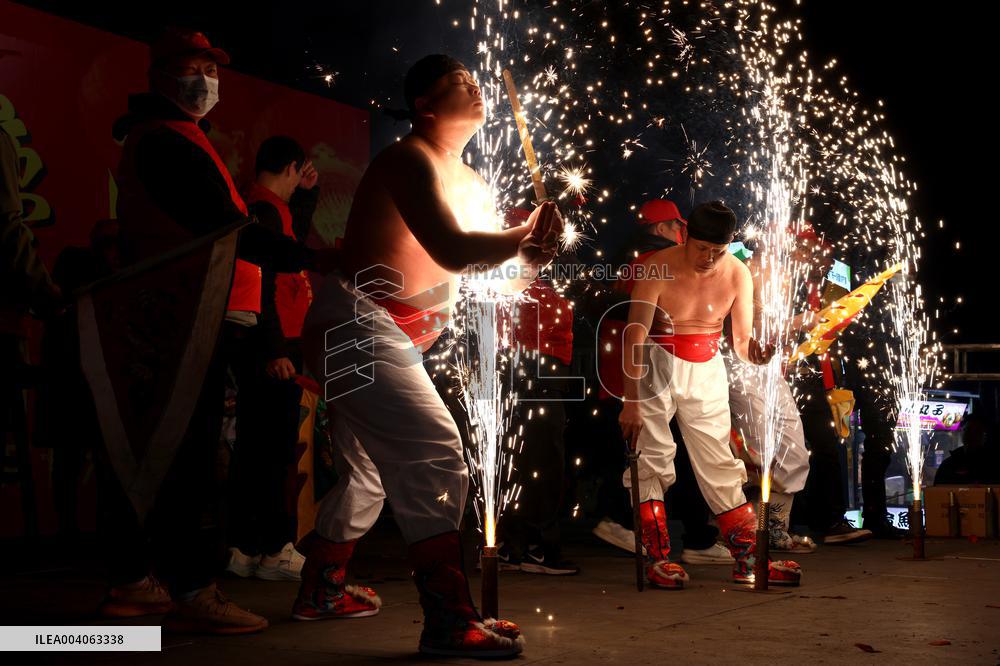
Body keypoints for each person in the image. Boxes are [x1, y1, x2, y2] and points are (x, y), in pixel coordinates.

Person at [297, 54, 560, 658]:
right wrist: (524, 234)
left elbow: (496, 280)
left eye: (475, 79)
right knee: (435, 451)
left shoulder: (474, 183)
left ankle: (321, 589)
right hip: (358, 323)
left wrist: (532, 256)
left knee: (369, 473)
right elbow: (452, 248)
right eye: (459, 81)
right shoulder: (409, 158)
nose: (475, 85)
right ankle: (448, 620)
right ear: (424, 104)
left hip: (389, 335)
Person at [101, 28, 332, 634]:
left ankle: (139, 581)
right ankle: (189, 587)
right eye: (192, 68)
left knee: (169, 450)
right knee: (184, 455)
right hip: (175, 318)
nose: (204, 80)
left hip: (183, 316)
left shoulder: (180, 137)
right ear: (159, 75)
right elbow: (232, 233)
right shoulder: (166, 141)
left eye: (211, 69)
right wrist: (320, 259)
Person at [618, 201, 801, 588]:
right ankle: (657, 558)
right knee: (652, 457)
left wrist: (757, 354)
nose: (708, 258)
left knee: (720, 461)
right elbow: (634, 335)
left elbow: (741, 342)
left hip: (707, 365)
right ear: (686, 236)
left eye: (717, 251)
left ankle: (749, 557)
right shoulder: (657, 266)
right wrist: (631, 401)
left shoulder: (737, 273)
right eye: (702, 248)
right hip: (655, 362)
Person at [591, 200, 732, 565]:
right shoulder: (656, 264)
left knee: (650, 453)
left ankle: (674, 534)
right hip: (645, 374)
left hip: (623, 374)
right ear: (660, 228)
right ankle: (651, 530)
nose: (683, 234)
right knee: (659, 455)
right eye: (678, 227)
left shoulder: (631, 261)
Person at [224, 136, 319, 581]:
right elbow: (261, 285)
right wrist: (274, 349)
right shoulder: (262, 210)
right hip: (272, 344)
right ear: (292, 168)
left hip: (267, 342)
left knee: (256, 446)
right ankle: (274, 549)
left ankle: (245, 548)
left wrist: (307, 196)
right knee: (274, 450)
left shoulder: (263, 206)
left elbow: (289, 248)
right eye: (300, 173)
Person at [495, 208, 578, 576]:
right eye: (546, 240)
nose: (552, 248)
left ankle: (512, 545)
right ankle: (532, 546)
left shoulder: (542, 275)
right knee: (539, 461)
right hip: (530, 368)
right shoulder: (509, 273)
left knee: (524, 458)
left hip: (537, 368)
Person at [934, 411, 1000, 485]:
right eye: (968, 430)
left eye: (977, 431)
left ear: (984, 436)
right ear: (962, 433)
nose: (972, 435)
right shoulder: (948, 465)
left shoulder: (993, 465)